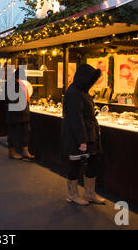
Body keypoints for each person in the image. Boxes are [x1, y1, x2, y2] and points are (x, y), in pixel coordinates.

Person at [62, 64, 105, 206]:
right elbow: (75, 119)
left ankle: (89, 193)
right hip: (79, 136)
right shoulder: (74, 92)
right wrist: (82, 140)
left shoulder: (81, 91)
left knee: (94, 161)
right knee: (75, 163)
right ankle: (72, 195)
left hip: (89, 134)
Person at [5, 69, 35, 160]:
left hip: (24, 113)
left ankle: (25, 151)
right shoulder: (10, 84)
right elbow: (9, 99)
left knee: (26, 132)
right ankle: (12, 152)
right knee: (13, 133)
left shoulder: (22, 83)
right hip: (15, 113)